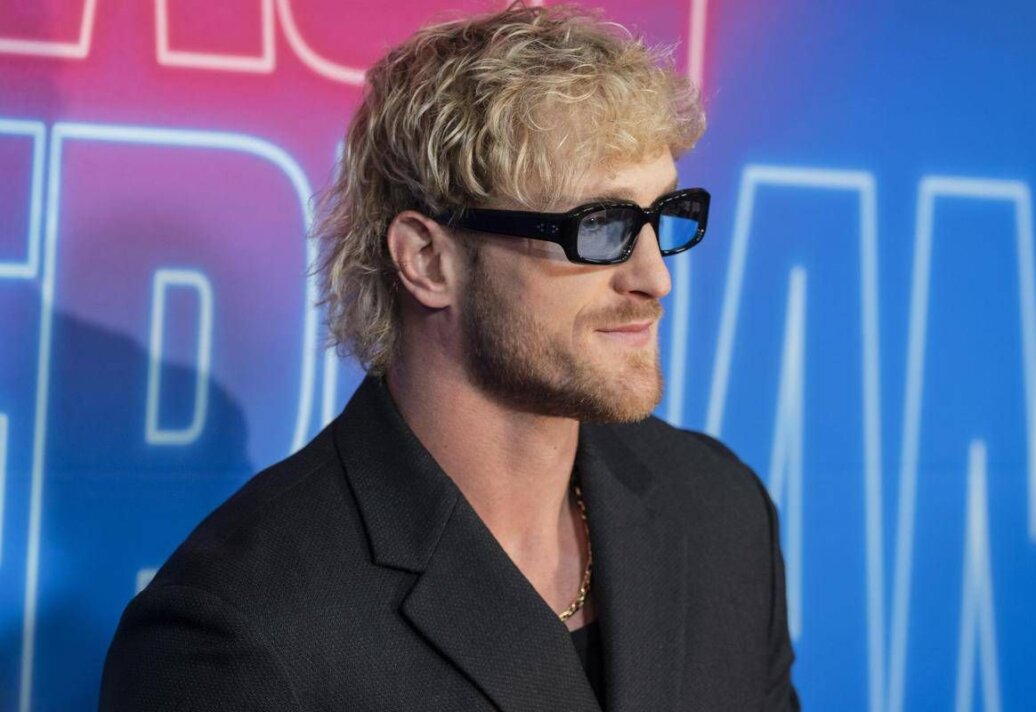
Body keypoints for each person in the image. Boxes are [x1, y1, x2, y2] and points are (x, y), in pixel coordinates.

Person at [100, 3, 800, 710]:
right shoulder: (237, 631)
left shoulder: (719, 513)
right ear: (428, 261)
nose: (655, 278)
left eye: (661, 217)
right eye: (600, 227)